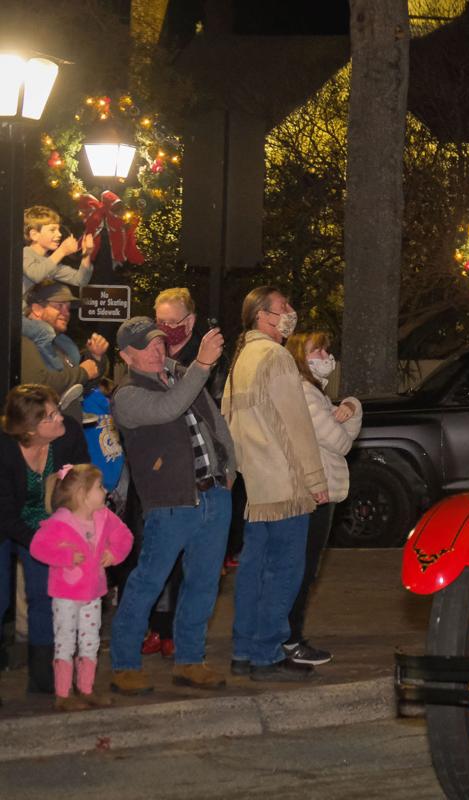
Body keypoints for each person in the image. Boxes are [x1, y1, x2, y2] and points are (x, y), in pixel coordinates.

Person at [107, 317, 235, 695]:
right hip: (170, 503)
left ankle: (190, 660)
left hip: (212, 494)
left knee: (204, 583)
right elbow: (168, 408)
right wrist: (202, 365)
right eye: (146, 346)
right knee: (148, 581)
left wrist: (229, 470)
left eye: (159, 343)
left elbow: (215, 422)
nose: (156, 350)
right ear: (125, 356)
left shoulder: (181, 376)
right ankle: (124, 664)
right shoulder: (127, 395)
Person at [222, 287, 328, 682]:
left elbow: (228, 418)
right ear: (262, 316)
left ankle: (243, 650)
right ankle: (267, 653)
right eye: (283, 307)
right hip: (285, 483)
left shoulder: (242, 358)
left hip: (256, 485)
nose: (290, 313)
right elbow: (296, 423)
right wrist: (315, 478)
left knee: (253, 569)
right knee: (285, 571)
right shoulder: (276, 357)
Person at [0, 384, 92, 698]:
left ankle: (42, 679)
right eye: (50, 416)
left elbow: (81, 484)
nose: (60, 418)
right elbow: (5, 515)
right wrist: (43, 541)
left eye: (57, 410)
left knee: (44, 595)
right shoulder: (5, 450)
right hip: (5, 523)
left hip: (46, 524)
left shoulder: (69, 435)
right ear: (29, 430)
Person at [282, 331, 362, 666]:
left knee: (304, 569)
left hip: (318, 491)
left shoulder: (315, 393)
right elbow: (342, 442)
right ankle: (290, 639)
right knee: (302, 571)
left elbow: (344, 433)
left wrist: (350, 407)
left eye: (326, 349)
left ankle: (289, 636)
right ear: (301, 357)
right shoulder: (306, 394)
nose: (326, 355)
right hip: (314, 492)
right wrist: (353, 410)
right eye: (318, 350)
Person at [30, 463, 133, 711]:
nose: (105, 491)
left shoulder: (104, 517)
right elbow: (38, 547)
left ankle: (86, 689)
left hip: (93, 593)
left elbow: (125, 536)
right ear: (82, 494)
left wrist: (113, 553)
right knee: (65, 641)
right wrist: (65, 557)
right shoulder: (59, 522)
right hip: (66, 595)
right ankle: (63, 694)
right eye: (99, 487)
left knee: (91, 641)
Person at [21, 283, 110, 420]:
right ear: (37, 309)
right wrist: (83, 372)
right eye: (59, 306)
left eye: (68, 308)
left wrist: (95, 358)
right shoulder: (24, 341)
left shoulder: (60, 345)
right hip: (40, 431)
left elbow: (77, 390)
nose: (66, 313)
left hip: (64, 428)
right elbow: (37, 385)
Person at [21, 206, 95, 369]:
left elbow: (80, 280)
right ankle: (58, 373)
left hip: (28, 316)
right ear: (34, 235)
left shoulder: (50, 262)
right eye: (52, 230)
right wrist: (61, 251)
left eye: (59, 229)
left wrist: (87, 255)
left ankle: (72, 372)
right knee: (45, 332)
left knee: (65, 343)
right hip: (12, 317)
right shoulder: (25, 254)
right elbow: (36, 273)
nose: (59, 234)